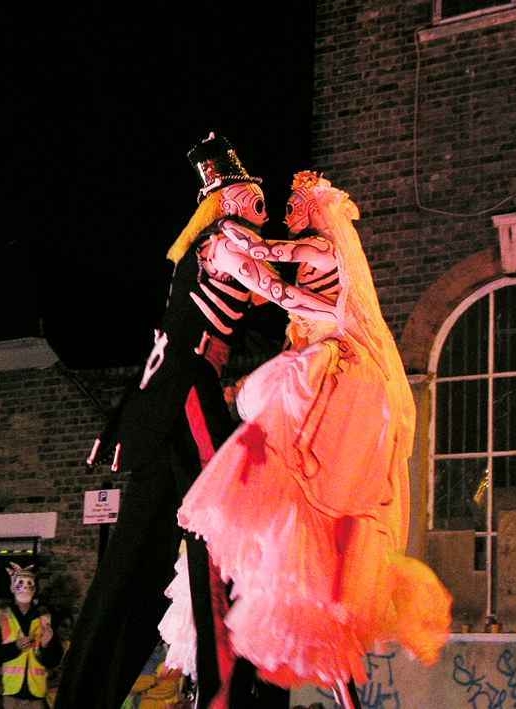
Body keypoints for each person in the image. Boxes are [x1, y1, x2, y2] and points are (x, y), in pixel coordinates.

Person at [160, 171, 452, 707]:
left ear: (315, 209)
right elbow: (274, 280)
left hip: (338, 376)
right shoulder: (318, 256)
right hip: (341, 376)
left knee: (288, 466)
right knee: (305, 509)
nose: (286, 210)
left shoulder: (318, 247)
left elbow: (274, 270)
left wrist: (233, 236)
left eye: (293, 203)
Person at [54, 133, 287, 709]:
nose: (261, 201)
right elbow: (275, 289)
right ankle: (222, 687)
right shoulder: (225, 241)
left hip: (173, 396)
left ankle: (88, 692)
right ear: (228, 200)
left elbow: (255, 301)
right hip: (187, 387)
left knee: (137, 551)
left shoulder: (217, 245)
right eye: (250, 193)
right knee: (222, 517)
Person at [0, 563, 63, 709]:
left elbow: (53, 661)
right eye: (20, 582)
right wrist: (14, 647)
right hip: (9, 692)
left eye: (30, 583)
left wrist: (46, 646)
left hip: (37, 694)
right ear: (12, 587)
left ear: (35, 588)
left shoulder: (46, 618)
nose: (25, 587)